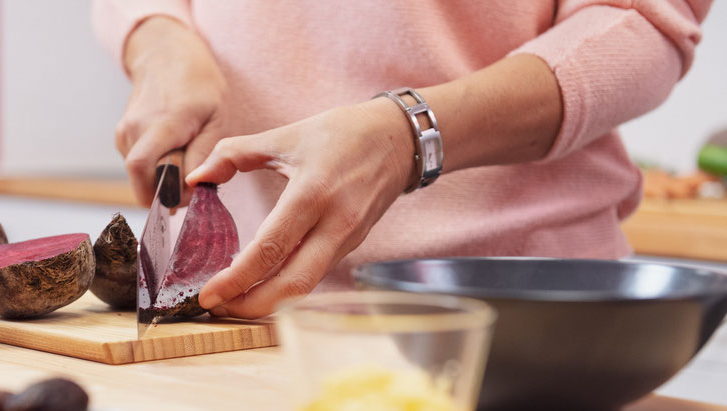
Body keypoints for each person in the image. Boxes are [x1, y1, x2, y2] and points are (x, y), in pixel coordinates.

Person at [92, 1, 709, 319]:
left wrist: (411, 135)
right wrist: (158, 38)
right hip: (235, 324)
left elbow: (640, 21)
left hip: (509, 317)